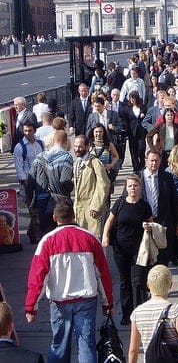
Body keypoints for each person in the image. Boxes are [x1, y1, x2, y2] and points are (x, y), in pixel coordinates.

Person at [25, 200, 113, 363]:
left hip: (59, 302)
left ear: (54, 218)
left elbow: (38, 277)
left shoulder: (47, 241)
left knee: (59, 346)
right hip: (86, 300)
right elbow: (103, 274)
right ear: (74, 216)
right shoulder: (90, 238)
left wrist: (31, 307)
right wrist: (107, 303)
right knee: (87, 345)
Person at [102, 174, 153, 325]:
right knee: (124, 282)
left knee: (138, 282)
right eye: (130, 186)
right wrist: (105, 237)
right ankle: (126, 314)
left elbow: (151, 223)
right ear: (126, 188)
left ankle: (139, 311)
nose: (133, 188)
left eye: (135, 186)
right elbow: (109, 221)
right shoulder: (120, 203)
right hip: (121, 249)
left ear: (140, 187)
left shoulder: (144, 205)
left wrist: (149, 228)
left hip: (139, 249)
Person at [128, 264, 178, 363]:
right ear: (170, 285)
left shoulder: (137, 313)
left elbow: (133, 350)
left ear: (148, 285)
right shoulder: (175, 310)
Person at [139, 150, 178, 266]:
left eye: (156, 161)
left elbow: (174, 201)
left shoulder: (166, 177)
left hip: (163, 223)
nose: (154, 163)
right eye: (151, 160)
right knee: (145, 260)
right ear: (146, 161)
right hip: (144, 224)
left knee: (162, 260)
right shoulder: (138, 177)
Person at [28, 130, 74, 238]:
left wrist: (32, 194)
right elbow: (65, 180)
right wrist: (69, 189)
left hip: (42, 199)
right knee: (61, 233)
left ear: (53, 141)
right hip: (60, 201)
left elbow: (31, 178)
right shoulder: (66, 157)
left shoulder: (40, 157)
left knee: (45, 233)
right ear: (66, 141)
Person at [73, 135, 110, 238]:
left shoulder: (95, 162)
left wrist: (96, 206)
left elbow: (104, 184)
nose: (77, 149)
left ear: (87, 147)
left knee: (95, 241)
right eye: (75, 146)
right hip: (80, 211)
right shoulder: (76, 163)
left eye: (80, 147)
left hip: (93, 210)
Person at [13, 121, 44, 243]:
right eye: (25, 131)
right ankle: (35, 236)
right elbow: (19, 167)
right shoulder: (19, 147)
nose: (27, 133)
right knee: (33, 210)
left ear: (34, 131)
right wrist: (25, 182)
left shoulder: (40, 143)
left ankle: (33, 232)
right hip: (27, 182)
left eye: (29, 130)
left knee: (40, 209)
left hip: (41, 181)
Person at [88, 123, 119, 195]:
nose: (98, 134)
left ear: (104, 132)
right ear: (93, 132)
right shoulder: (89, 144)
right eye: (96, 132)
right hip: (92, 173)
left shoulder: (108, 144)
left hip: (105, 173)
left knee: (105, 195)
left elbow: (116, 156)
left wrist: (111, 165)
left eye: (100, 131)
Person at [123, 90, 148, 171]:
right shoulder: (127, 109)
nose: (132, 100)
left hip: (141, 131)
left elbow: (147, 117)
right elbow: (126, 121)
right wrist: (126, 132)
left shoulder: (143, 107)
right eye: (130, 98)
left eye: (133, 98)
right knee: (133, 150)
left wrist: (143, 116)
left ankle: (142, 164)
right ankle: (136, 167)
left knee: (141, 149)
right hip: (132, 132)